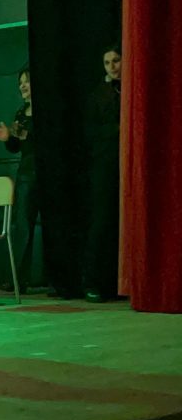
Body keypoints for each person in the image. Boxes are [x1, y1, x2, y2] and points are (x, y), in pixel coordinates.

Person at [0, 69, 40, 294]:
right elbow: (18, 147)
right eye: (21, 83)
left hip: (48, 173)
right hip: (27, 173)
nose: (23, 86)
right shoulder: (21, 113)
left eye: (27, 82)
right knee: (23, 228)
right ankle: (18, 278)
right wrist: (7, 139)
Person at [82, 44, 123, 303]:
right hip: (105, 165)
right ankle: (96, 282)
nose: (112, 66)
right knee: (103, 221)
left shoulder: (132, 90)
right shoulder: (99, 96)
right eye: (107, 62)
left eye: (116, 60)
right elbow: (91, 133)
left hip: (125, 164)